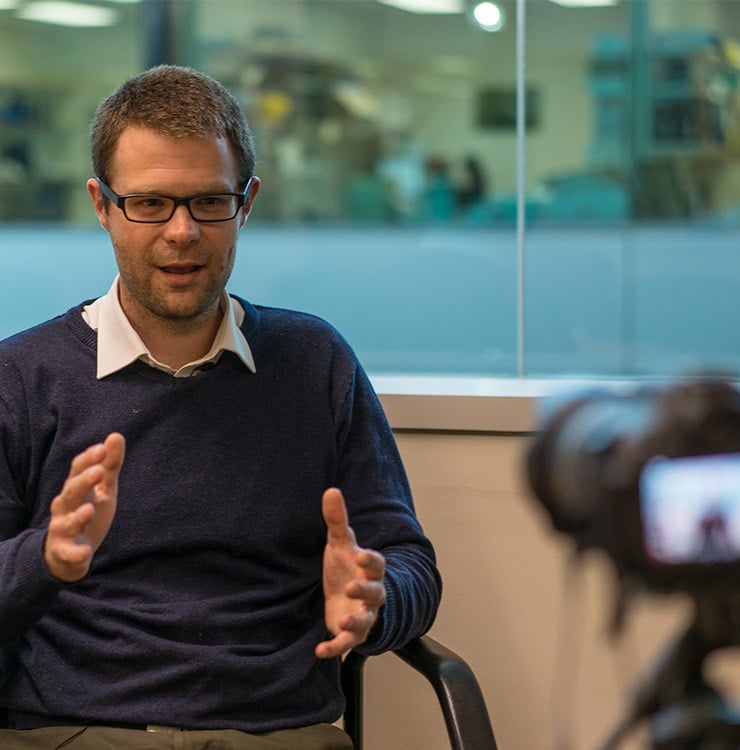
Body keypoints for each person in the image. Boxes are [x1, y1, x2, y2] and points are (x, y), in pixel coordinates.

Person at [0, 65, 441, 750]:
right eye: (150, 204)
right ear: (102, 205)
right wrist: (46, 559)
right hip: (77, 730)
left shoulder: (315, 362)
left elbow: (406, 558)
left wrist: (375, 603)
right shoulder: (22, 377)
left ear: (248, 201)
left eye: (209, 202)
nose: (182, 233)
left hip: (273, 732)